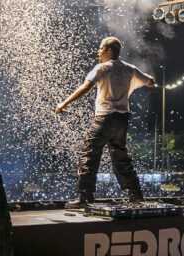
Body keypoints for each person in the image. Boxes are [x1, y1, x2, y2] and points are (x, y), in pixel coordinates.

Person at [55, 36, 156, 205]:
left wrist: (64, 103)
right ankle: (136, 195)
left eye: (101, 48)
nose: (98, 51)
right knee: (121, 156)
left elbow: (85, 87)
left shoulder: (102, 68)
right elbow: (150, 81)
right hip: (122, 119)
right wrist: (142, 84)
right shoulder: (130, 69)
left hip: (105, 117)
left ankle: (85, 197)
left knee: (89, 153)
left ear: (109, 50)